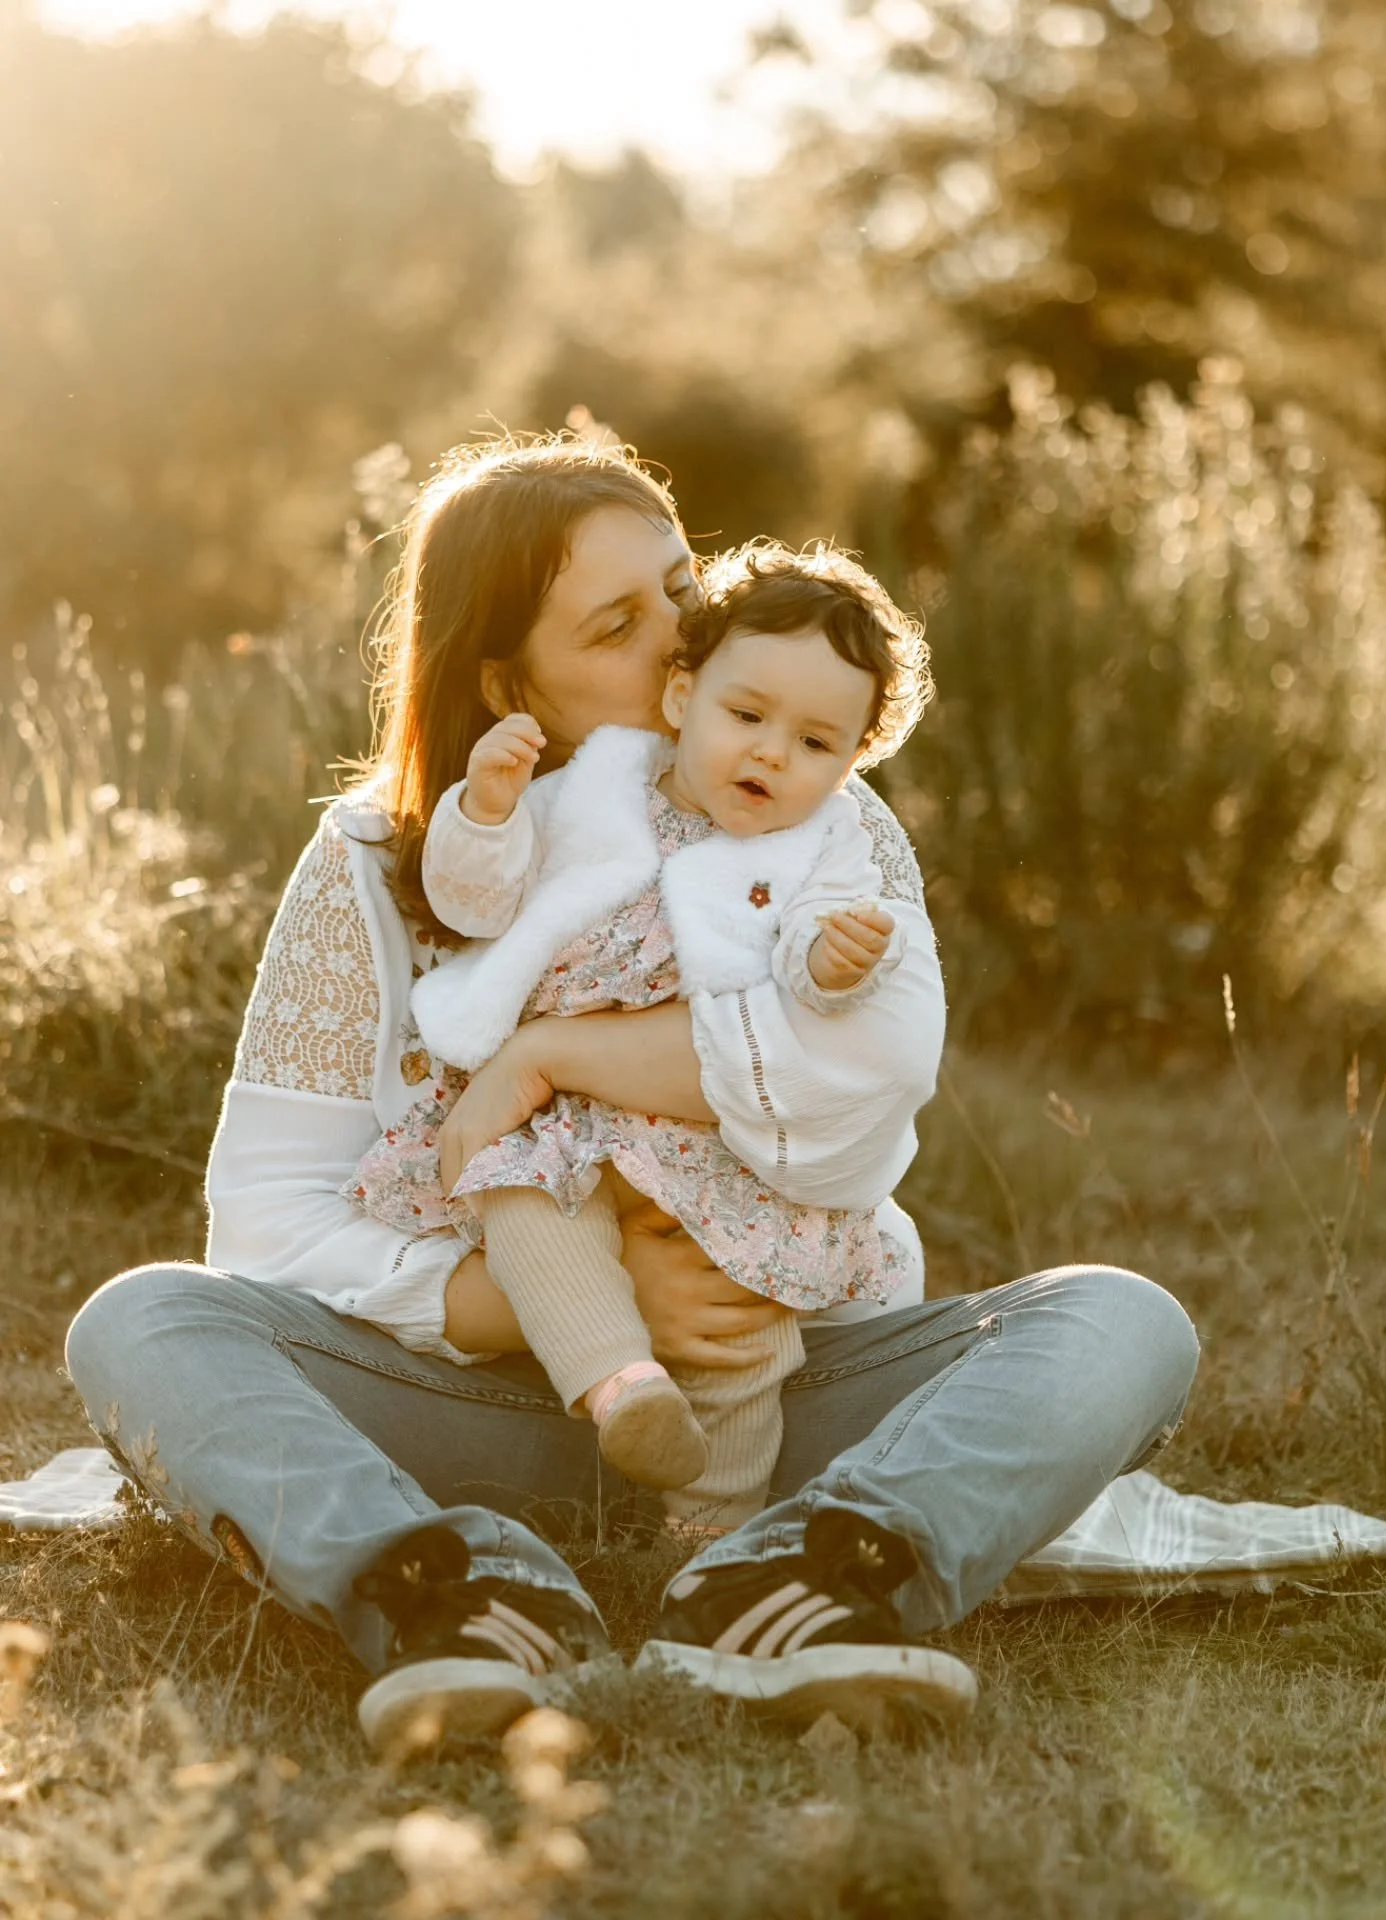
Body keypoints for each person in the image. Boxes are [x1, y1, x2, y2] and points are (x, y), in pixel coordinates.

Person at [62, 435, 1199, 1755]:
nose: (683, 640)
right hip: (464, 1411)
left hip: (760, 1382)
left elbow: (848, 1096)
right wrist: (554, 1312)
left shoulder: (827, 820)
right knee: (139, 1323)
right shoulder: (378, 860)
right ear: (511, 683)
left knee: (1124, 1322)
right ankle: (447, 1587)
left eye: (683, 587)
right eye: (619, 624)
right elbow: (264, 1227)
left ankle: (799, 1576)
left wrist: (561, 1065)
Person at [343, 542, 934, 1534]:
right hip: (567, 1122)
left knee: (742, 1331)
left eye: (816, 743)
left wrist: (833, 958)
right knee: (526, 1206)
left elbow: (811, 997)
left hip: (712, 1147)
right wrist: (485, 812)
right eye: (746, 717)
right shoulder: (600, 789)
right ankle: (621, 1388)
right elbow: (475, 899)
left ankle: (714, 1538)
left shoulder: (827, 849)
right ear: (683, 697)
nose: (771, 755)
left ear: (853, 760)